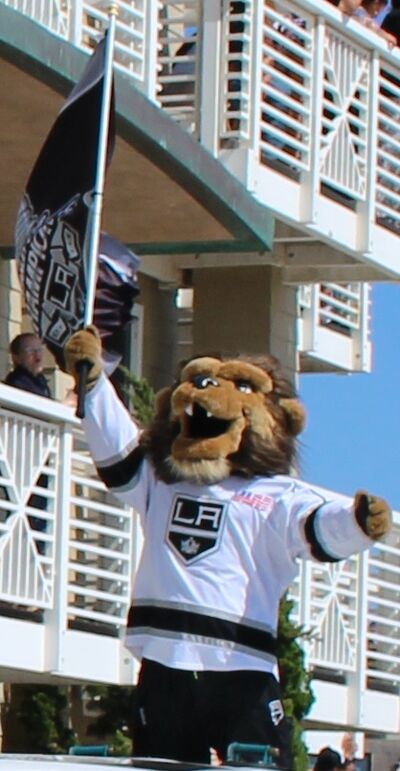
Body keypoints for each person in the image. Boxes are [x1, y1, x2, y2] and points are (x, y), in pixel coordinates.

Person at [63, 327, 392, 770]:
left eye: (238, 387)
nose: (209, 396)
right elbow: (119, 448)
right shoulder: (162, 481)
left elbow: (317, 529)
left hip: (241, 668)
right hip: (165, 664)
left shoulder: (277, 494)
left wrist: (356, 522)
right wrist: (95, 383)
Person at [4, 333, 52, 551]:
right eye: (31, 352)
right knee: (22, 518)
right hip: (21, 462)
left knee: (37, 521)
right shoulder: (17, 384)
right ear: (16, 357)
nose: (38, 357)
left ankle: (34, 560)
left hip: (38, 462)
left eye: (40, 351)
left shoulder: (40, 383)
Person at [4, 333, 51, 397]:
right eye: (30, 351)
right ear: (17, 357)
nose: (38, 355)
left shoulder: (39, 380)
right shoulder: (18, 383)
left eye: (40, 349)